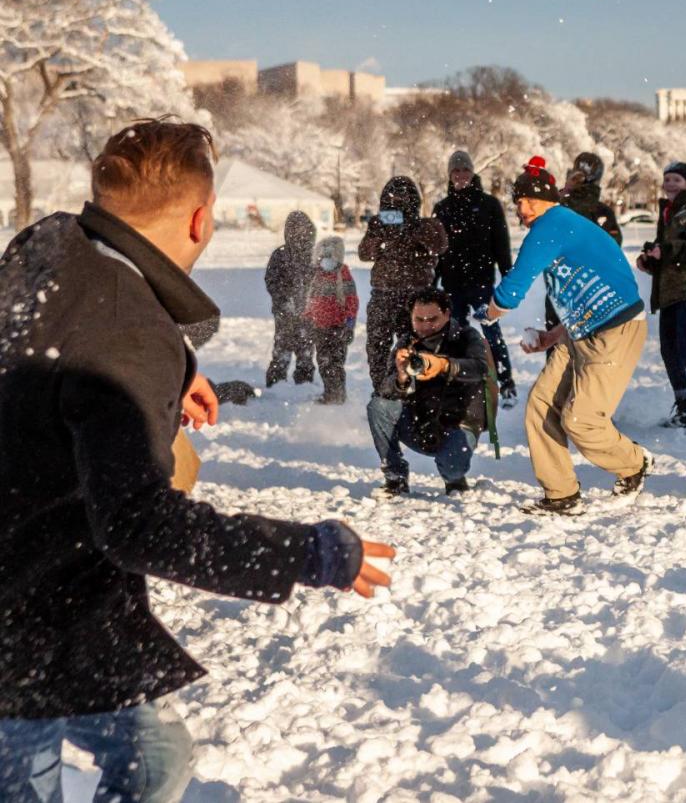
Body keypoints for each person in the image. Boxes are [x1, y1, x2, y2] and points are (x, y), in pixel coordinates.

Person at [0, 119, 392, 802]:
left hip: (47, 590)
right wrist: (308, 551)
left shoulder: (49, 240)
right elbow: (139, 524)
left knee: (156, 756)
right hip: (29, 609)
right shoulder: (129, 332)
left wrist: (176, 366)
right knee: (108, 769)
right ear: (202, 217)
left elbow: (73, 323)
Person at [487, 157, 650, 515]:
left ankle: (634, 464)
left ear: (550, 199)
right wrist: (551, 337)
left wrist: (487, 313)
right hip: (579, 330)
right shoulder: (560, 226)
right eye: (518, 201)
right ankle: (561, 493)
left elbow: (513, 287)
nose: (523, 207)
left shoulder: (553, 224)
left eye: (531, 200)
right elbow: (582, 292)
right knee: (541, 406)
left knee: (582, 419)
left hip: (615, 329)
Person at [366, 287, 492, 495]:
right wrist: (401, 377)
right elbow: (384, 390)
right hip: (419, 421)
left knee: (453, 469)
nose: (425, 326)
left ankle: (455, 479)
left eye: (432, 319)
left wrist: (444, 365)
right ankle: (395, 476)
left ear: (447, 315)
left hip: (458, 423)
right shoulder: (407, 343)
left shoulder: (466, 337)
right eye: (419, 319)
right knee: (379, 406)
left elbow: (479, 369)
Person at [433, 149, 517, 406]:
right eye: (456, 171)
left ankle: (506, 382)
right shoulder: (442, 208)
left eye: (465, 170)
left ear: (473, 173)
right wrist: (432, 283)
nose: (461, 175)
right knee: (454, 335)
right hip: (453, 283)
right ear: (450, 175)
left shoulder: (489, 205)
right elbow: (437, 251)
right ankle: (458, 382)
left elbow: (501, 243)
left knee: (491, 332)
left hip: (481, 281)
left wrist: (508, 276)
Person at [359, 176, 448, 392]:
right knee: (377, 350)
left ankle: (413, 392)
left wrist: (412, 227)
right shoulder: (379, 225)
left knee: (415, 348)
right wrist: (381, 231)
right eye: (392, 204)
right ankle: (382, 392)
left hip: (416, 299)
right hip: (382, 295)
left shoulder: (426, 226)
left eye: (403, 203)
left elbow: (440, 246)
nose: (397, 210)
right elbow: (365, 253)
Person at [636, 162, 686, 427]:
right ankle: (684, 405)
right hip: (667, 292)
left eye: (676, 179)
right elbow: (667, 250)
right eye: (667, 179)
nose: (671, 183)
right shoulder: (667, 211)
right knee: (669, 350)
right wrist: (651, 260)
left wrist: (666, 251)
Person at [264, 209, 316, 386]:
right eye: (295, 229)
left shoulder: (314, 255)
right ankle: (276, 382)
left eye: (302, 229)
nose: (299, 233)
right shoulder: (280, 254)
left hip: (308, 313)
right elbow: (271, 280)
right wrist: (284, 299)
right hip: (284, 313)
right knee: (282, 349)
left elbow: (322, 282)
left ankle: (305, 381)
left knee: (306, 350)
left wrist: (314, 301)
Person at [305, 235, 359, 405]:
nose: (326, 260)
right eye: (323, 256)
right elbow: (312, 299)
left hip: (339, 327)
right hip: (319, 327)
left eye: (330, 256)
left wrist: (349, 325)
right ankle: (330, 393)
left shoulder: (343, 274)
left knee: (335, 363)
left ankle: (338, 396)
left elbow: (351, 300)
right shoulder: (317, 275)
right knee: (323, 362)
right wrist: (308, 318)